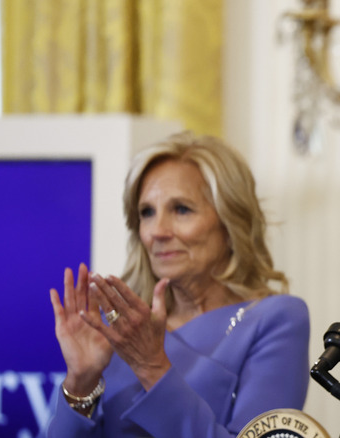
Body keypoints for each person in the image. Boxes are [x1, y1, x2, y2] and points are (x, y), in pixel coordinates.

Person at [41, 132, 310, 438]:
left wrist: (152, 367)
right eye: (147, 212)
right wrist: (80, 382)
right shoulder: (116, 327)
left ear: (230, 219)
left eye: (181, 209)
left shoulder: (276, 319)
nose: (158, 231)